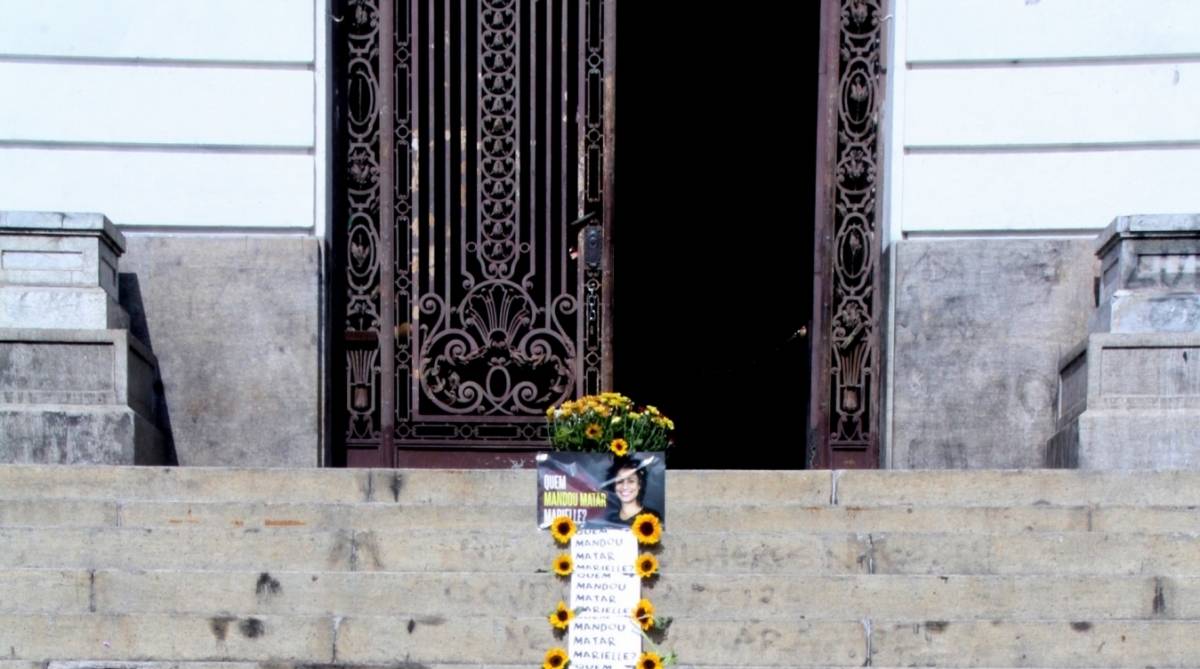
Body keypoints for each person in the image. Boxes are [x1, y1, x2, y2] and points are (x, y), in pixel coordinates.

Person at [604, 456, 662, 527]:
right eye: (620, 481)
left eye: (631, 481)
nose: (625, 486)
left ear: (639, 485)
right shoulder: (611, 519)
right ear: (614, 485)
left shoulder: (652, 517)